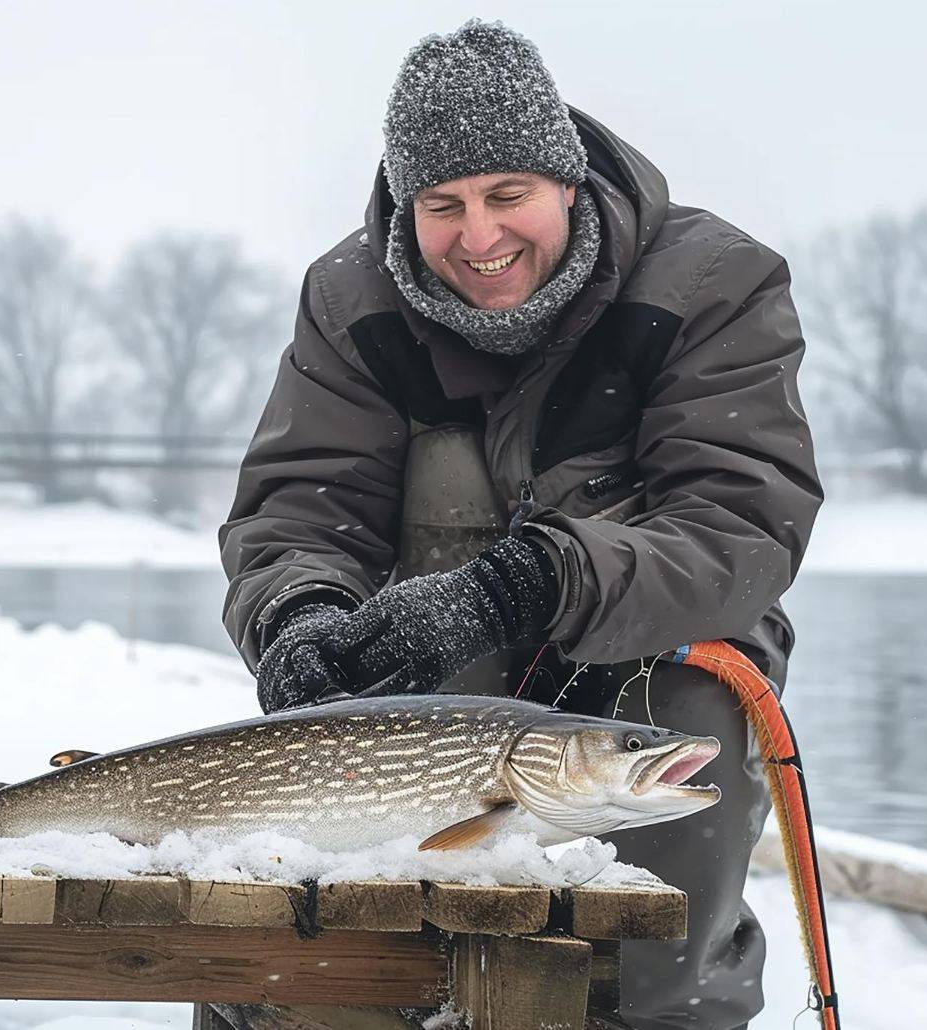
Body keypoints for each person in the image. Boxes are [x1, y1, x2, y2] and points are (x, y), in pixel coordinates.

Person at [218, 19, 823, 1030]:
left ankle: (657, 1003)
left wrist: (528, 584)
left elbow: (741, 526)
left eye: (508, 196)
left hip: (653, 653)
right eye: (443, 205)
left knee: (684, 764)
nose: (479, 236)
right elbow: (299, 507)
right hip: (427, 652)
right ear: (405, 206)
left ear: (568, 184)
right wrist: (298, 615)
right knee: (321, 963)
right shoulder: (350, 297)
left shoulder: (715, 281)